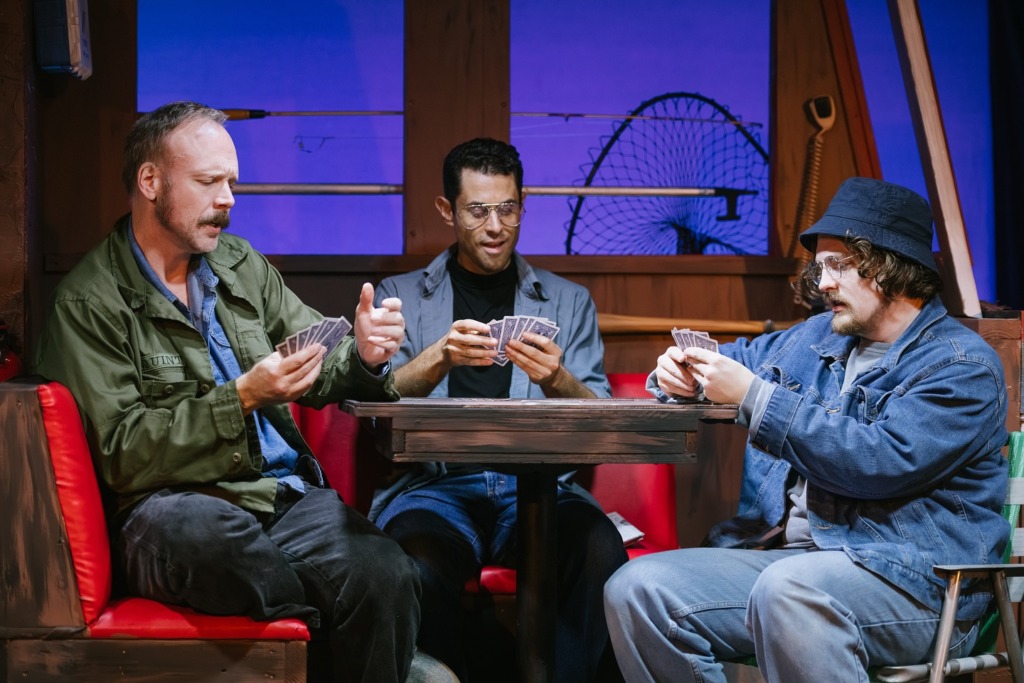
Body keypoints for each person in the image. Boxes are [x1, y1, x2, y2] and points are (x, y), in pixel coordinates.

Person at [32, 101, 453, 683]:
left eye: (232, 182)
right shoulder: (89, 303)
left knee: (384, 570)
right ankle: (352, 653)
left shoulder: (238, 264)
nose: (228, 198)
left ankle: (365, 650)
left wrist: (363, 352)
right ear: (150, 182)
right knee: (212, 537)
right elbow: (123, 453)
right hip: (166, 508)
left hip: (275, 495)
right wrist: (243, 397)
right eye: (209, 182)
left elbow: (319, 364)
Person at [603, 177, 1010, 683]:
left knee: (789, 590)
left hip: (916, 582)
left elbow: (879, 463)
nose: (824, 283)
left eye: (839, 265)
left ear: (893, 269)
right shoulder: (814, 336)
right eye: (820, 266)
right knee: (638, 589)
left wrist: (754, 396)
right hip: (788, 564)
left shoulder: (962, 365)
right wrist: (675, 377)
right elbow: (725, 363)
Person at [370, 137, 628, 682]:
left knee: (597, 547)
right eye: (478, 210)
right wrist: (438, 357)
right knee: (411, 561)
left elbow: (602, 421)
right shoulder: (401, 296)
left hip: (537, 487)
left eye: (507, 209)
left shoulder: (566, 300)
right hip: (435, 487)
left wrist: (556, 377)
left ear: (523, 203)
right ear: (447, 210)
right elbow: (379, 410)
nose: (496, 226)